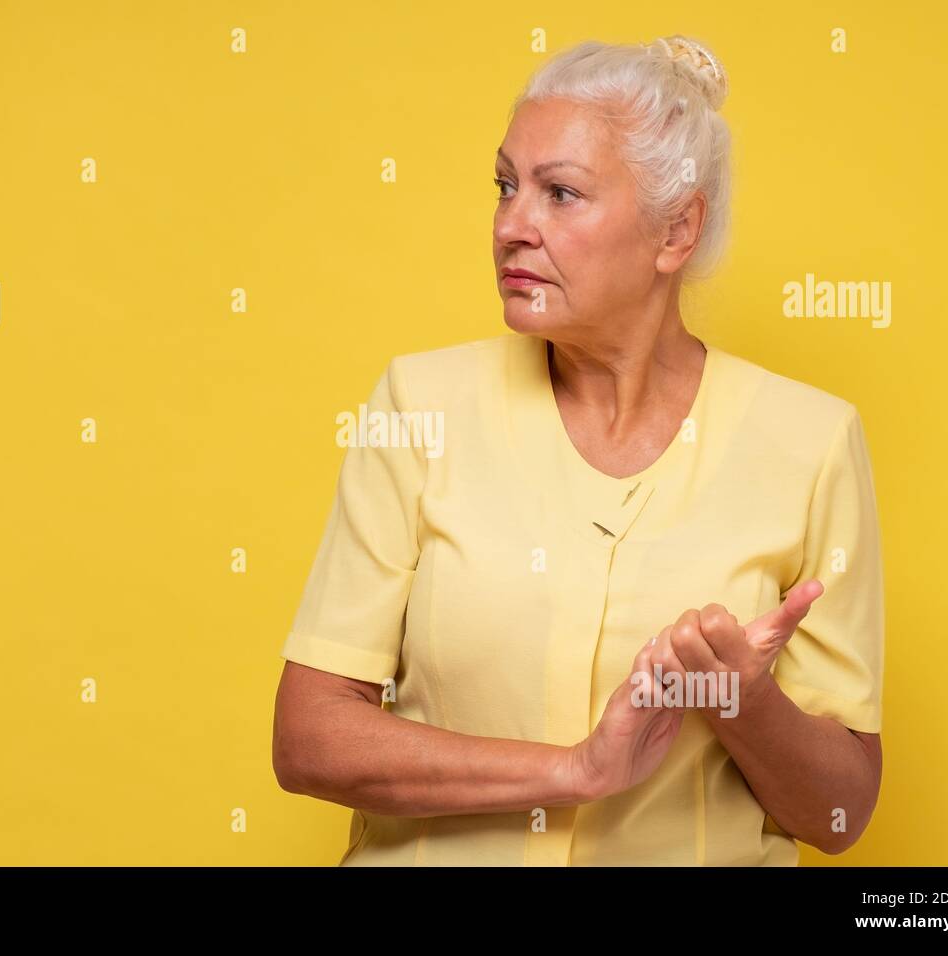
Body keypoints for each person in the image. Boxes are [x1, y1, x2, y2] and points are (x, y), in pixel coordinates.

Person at [272, 36, 884, 866]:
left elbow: (840, 815)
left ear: (677, 230)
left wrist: (742, 699)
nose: (511, 227)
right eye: (504, 187)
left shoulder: (812, 441)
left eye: (561, 194)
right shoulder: (419, 405)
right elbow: (309, 739)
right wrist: (576, 770)